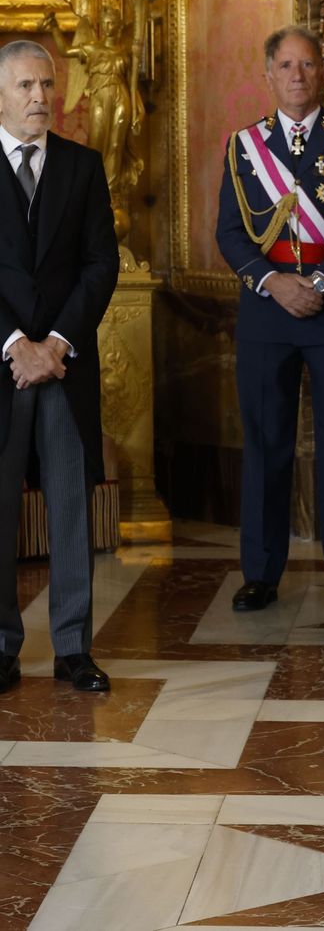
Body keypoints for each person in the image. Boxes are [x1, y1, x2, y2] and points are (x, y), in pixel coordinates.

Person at [215, 26, 324, 615]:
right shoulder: (245, 146)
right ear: (269, 74)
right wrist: (275, 283)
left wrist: (318, 281)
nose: (296, 75)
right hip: (267, 311)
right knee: (266, 443)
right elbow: (231, 234)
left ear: (323, 74)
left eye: (307, 65)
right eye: (285, 65)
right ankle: (260, 572)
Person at [0, 39, 119, 694]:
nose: (40, 97)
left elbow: (103, 263)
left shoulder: (83, 166)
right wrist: (16, 342)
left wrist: (57, 343)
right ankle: (2, 647)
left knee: (71, 507)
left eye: (46, 84)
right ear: (0, 94)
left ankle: (73, 648)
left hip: (65, 365)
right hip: (4, 365)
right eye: (24, 86)